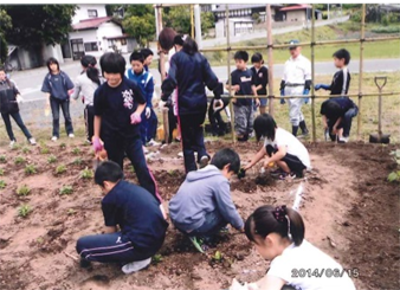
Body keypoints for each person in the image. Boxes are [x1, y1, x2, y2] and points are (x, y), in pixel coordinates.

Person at [93, 52, 163, 206]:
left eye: (115, 73)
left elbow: (142, 102)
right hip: (112, 138)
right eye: (107, 73)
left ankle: (154, 201)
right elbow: (97, 115)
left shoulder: (131, 86)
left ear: (122, 72)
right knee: (116, 173)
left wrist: (138, 113)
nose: (111, 77)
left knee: (142, 168)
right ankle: (121, 202)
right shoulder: (101, 93)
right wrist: (96, 137)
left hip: (132, 136)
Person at [233, 205, 356, 290]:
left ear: (269, 241)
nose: (256, 250)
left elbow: (273, 279)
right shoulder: (299, 246)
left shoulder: (282, 264)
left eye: (256, 244)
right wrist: (252, 285)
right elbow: (269, 278)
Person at [76, 161, 168, 274]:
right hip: (158, 238)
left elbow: (111, 230)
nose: (103, 192)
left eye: (101, 188)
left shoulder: (110, 199)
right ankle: (140, 254)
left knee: (83, 246)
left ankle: (140, 258)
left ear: (106, 184)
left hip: (142, 245)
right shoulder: (132, 188)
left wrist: (105, 239)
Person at [161, 36, 223, 173]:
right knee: (198, 129)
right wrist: (218, 94)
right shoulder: (201, 58)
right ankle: (202, 154)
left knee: (187, 140)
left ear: (178, 46)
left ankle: (191, 171)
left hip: (185, 105)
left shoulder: (176, 58)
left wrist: (164, 95)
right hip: (200, 103)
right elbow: (212, 79)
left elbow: (171, 79)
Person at [169, 148, 244, 253]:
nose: (229, 178)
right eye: (230, 174)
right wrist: (241, 226)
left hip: (177, 220)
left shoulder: (198, 174)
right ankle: (202, 236)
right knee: (225, 212)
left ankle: (198, 230)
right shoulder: (219, 180)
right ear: (227, 167)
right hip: (192, 224)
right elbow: (228, 209)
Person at [244, 114, 311, 180]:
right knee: (269, 149)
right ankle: (285, 169)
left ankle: (290, 173)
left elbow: (282, 153)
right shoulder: (269, 136)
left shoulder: (279, 135)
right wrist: (249, 165)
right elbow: (262, 152)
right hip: (292, 159)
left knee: (275, 153)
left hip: (300, 163)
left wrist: (269, 160)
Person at [315, 49, 357, 142]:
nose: (334, 62)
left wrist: (341, 99)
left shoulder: (345, 72)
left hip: (339, 101)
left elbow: (344, 88)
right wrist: (322, 86)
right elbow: (332, 87)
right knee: (332, 123)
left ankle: (341, 139)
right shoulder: (337, 74)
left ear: (342, 60)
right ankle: (335, 139)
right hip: (333, 101)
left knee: (338, 122)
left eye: (335, 59)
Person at [126, 51, 158, 150]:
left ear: (142, 63)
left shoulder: (148, 77)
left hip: (142, 104)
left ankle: (143, 144)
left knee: (143, 124)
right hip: (130, 104)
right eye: (133, 65)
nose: (135, 67)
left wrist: (148, 106)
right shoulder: (127, 74)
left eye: (138, 65)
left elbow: (149, 92)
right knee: (130, 125)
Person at [280, 40, 311, 138]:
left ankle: (293, 135)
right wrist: (282, 90)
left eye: (294, 48)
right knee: (295, 110)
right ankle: (304, 130)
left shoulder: (305, 62)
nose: (292, 51)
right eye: (291, 49)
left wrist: (306, 90)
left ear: (299, 48)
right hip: (288, 87)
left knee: (293, 112)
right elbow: (284, 78)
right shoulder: (287, 62)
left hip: (298, 87)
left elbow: (308, 78)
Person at [0, 66, 36, 147]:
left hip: (13, 107)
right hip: (3, 109)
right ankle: (12, 139)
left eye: (2, 74)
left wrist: (18, 97)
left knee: (20, 123)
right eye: (0, 75)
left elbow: (16, 92)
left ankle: (29, 137)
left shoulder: (11, 83)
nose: (1, 76)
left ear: (5, 74)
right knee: (8, 125)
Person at [227, 50, 259, 142]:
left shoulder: (250, 73)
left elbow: (253, 86)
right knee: (241, 125)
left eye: (240, 62)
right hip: (239, 104)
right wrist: (233, 87)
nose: (237, 64)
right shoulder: (234, 74)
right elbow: (226, 85)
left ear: (245, 61)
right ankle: (240, 142)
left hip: (249, 102)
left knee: (250, 124)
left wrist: (256, 98)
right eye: (236, 62)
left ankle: (246, 142)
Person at [41, 57, 75, 141]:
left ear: (57, 64)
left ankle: (70, 131)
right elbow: (47, 90)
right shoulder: (48, 77)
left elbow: (69, 87)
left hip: (65, 98)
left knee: (67, 116)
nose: (53, 66)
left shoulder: (63, 75)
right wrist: (47, 101)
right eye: (51, 65)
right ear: (49, 66)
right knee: (55, 117)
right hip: (54, 100)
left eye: (54, 64)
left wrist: (71, 97)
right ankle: (55, 134)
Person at [71, 55, 103, 144]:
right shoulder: (102, 74)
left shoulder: (80, 78)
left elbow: (75, 95)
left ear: (82, 66)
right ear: (95, 64)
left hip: (91, 108)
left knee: (93, 134)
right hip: (105, 107)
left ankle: (98, 152)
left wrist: (71, 96)